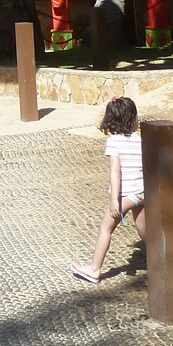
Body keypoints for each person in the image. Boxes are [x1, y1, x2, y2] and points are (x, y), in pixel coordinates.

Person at [73, 96, 146, 283]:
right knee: (146, 232)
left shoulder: (114, 142)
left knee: (105, 228)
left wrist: (115, 199)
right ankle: (162, 263)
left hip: (125, 195)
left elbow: (115, 171)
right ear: (131, 120)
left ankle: (94, 269)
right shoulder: (140, 141)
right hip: (142, 193)